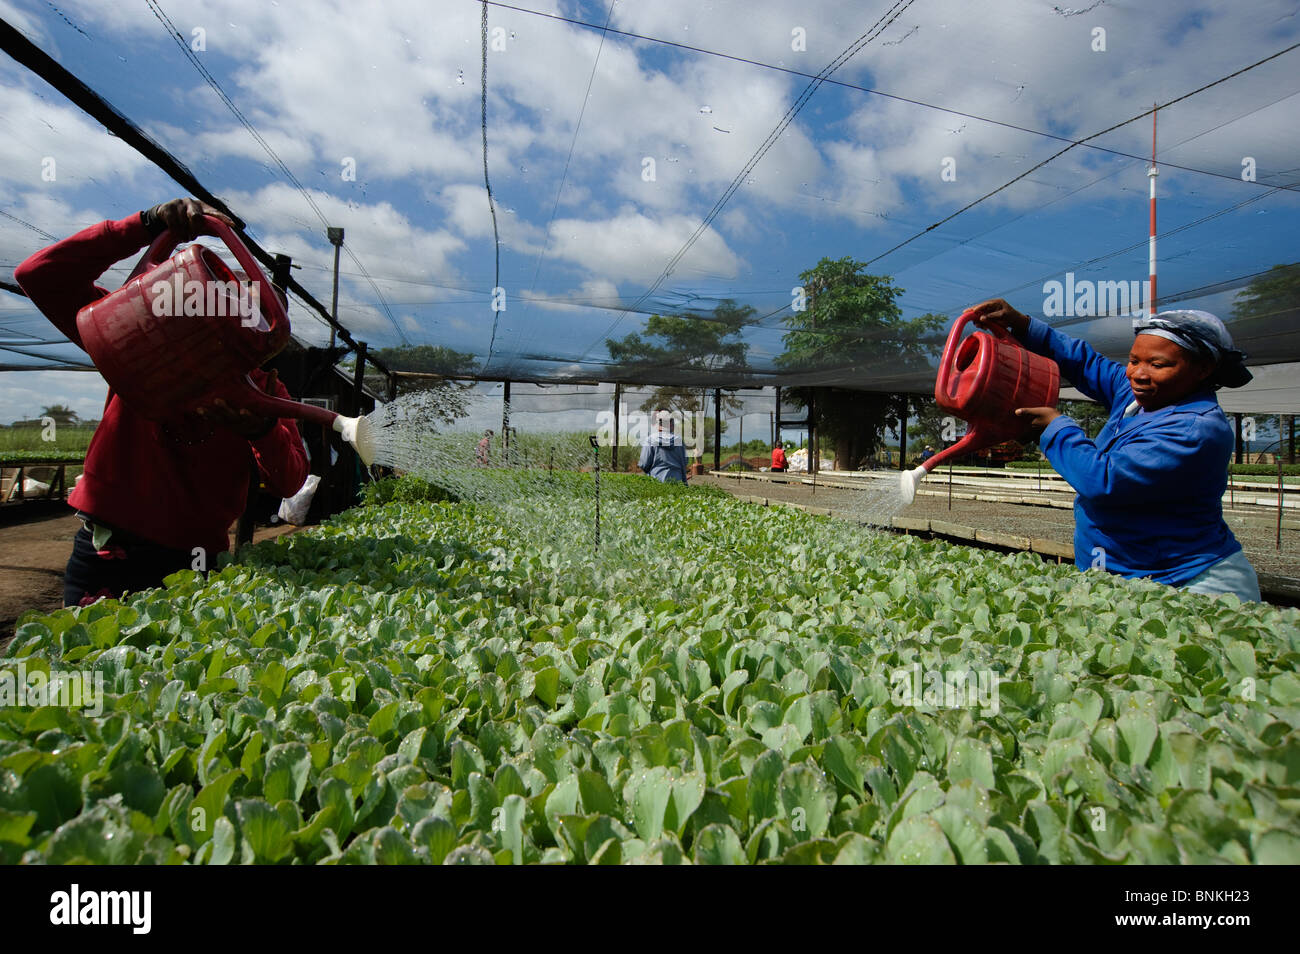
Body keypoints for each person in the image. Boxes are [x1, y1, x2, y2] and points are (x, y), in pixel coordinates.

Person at [14, 197, 308, 606]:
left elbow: (289, 479)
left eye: (260, 316)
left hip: (197, 560)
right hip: (110, 548)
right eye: (238, 300)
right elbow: (39, 275)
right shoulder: (142, 336)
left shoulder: (267, 392)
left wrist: (261, 430)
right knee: (86, 662)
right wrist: (145, 226)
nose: (245, 316)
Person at [968, 298, 1260, 602]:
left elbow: (1104, 480)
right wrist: (1022, 323)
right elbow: (1084, 363)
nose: (1138, 374)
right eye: (1134, 360)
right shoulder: (1139, 398)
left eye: (1157, 364)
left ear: (1203, 369)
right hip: (1130, 575)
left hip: (1187, 582)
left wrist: (1055, 428)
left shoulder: (1194, 427)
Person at [638, 408, 689, 484]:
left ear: (658, 424)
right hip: (677, 482)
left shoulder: (650, 440)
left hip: (656, 482)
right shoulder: (679, 441)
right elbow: (685, 462)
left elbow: (644, 464)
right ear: (671, 424)